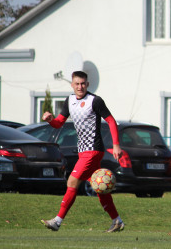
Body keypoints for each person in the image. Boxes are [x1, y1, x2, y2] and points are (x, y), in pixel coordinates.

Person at [41, 70, 125, 232]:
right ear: (72, 85)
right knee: (99, 187)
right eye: (77, 84)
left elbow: (111, 121)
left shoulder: (95, 101)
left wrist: (116, 145)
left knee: (72, 182)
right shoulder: (70, 100)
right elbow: (59, 123)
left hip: (93, 150)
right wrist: (51, 120)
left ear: (87, 84)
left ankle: (57, 221)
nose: (80, 87)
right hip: (83, 151)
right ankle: (117, 221)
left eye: (83, 84)